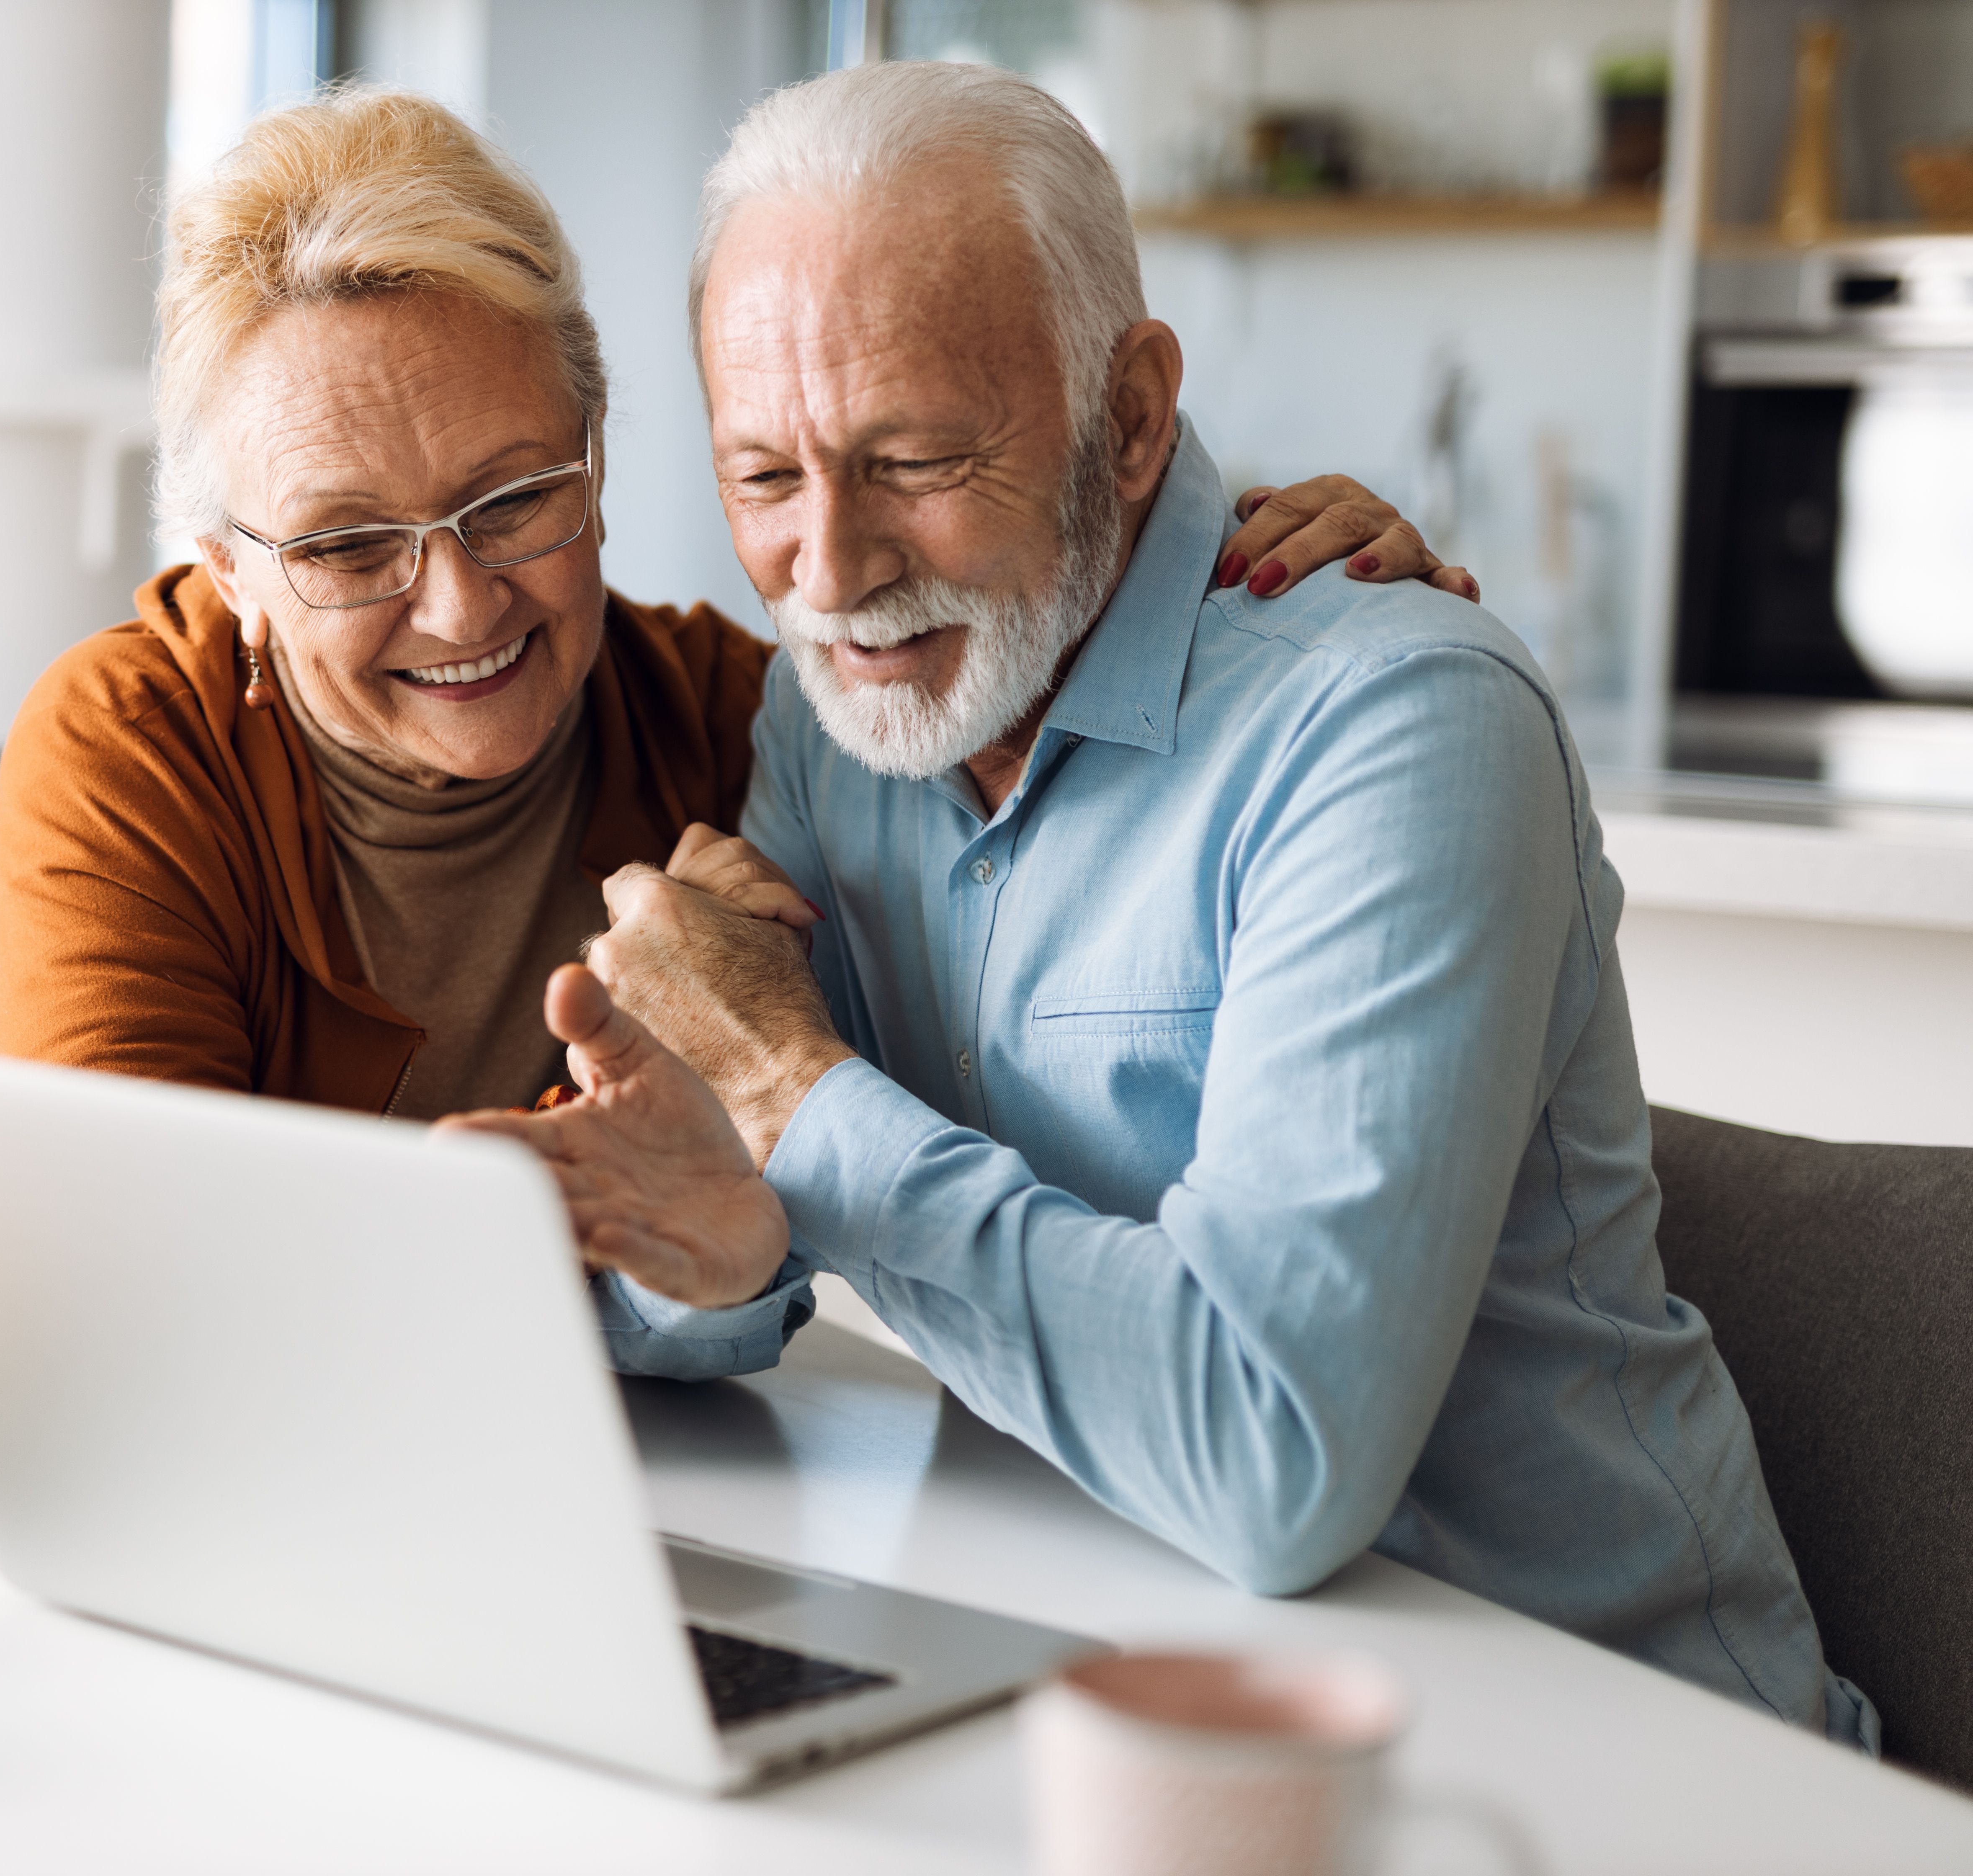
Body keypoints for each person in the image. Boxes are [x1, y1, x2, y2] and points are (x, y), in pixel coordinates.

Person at [447, 61, 1875, 1748]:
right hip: (1122, 1706)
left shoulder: (1395, 726)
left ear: (1128, 419)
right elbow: (756, 1228)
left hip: (1624, 1761)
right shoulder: (838, 720)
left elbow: (1272, 1462)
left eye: (910, 458)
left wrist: (792, 1098)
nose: (826, 573)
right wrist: (690, 1240)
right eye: (765, 480)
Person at [0, 88, 1466, 1358]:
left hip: (490, 1506)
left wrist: (1230, 548)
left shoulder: (739, 726)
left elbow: (1016, 691)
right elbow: (138, 1304)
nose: (460, 607)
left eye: (513, 497)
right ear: (225, 568)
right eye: (348, 545)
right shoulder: (129, 744)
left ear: (599, 455)